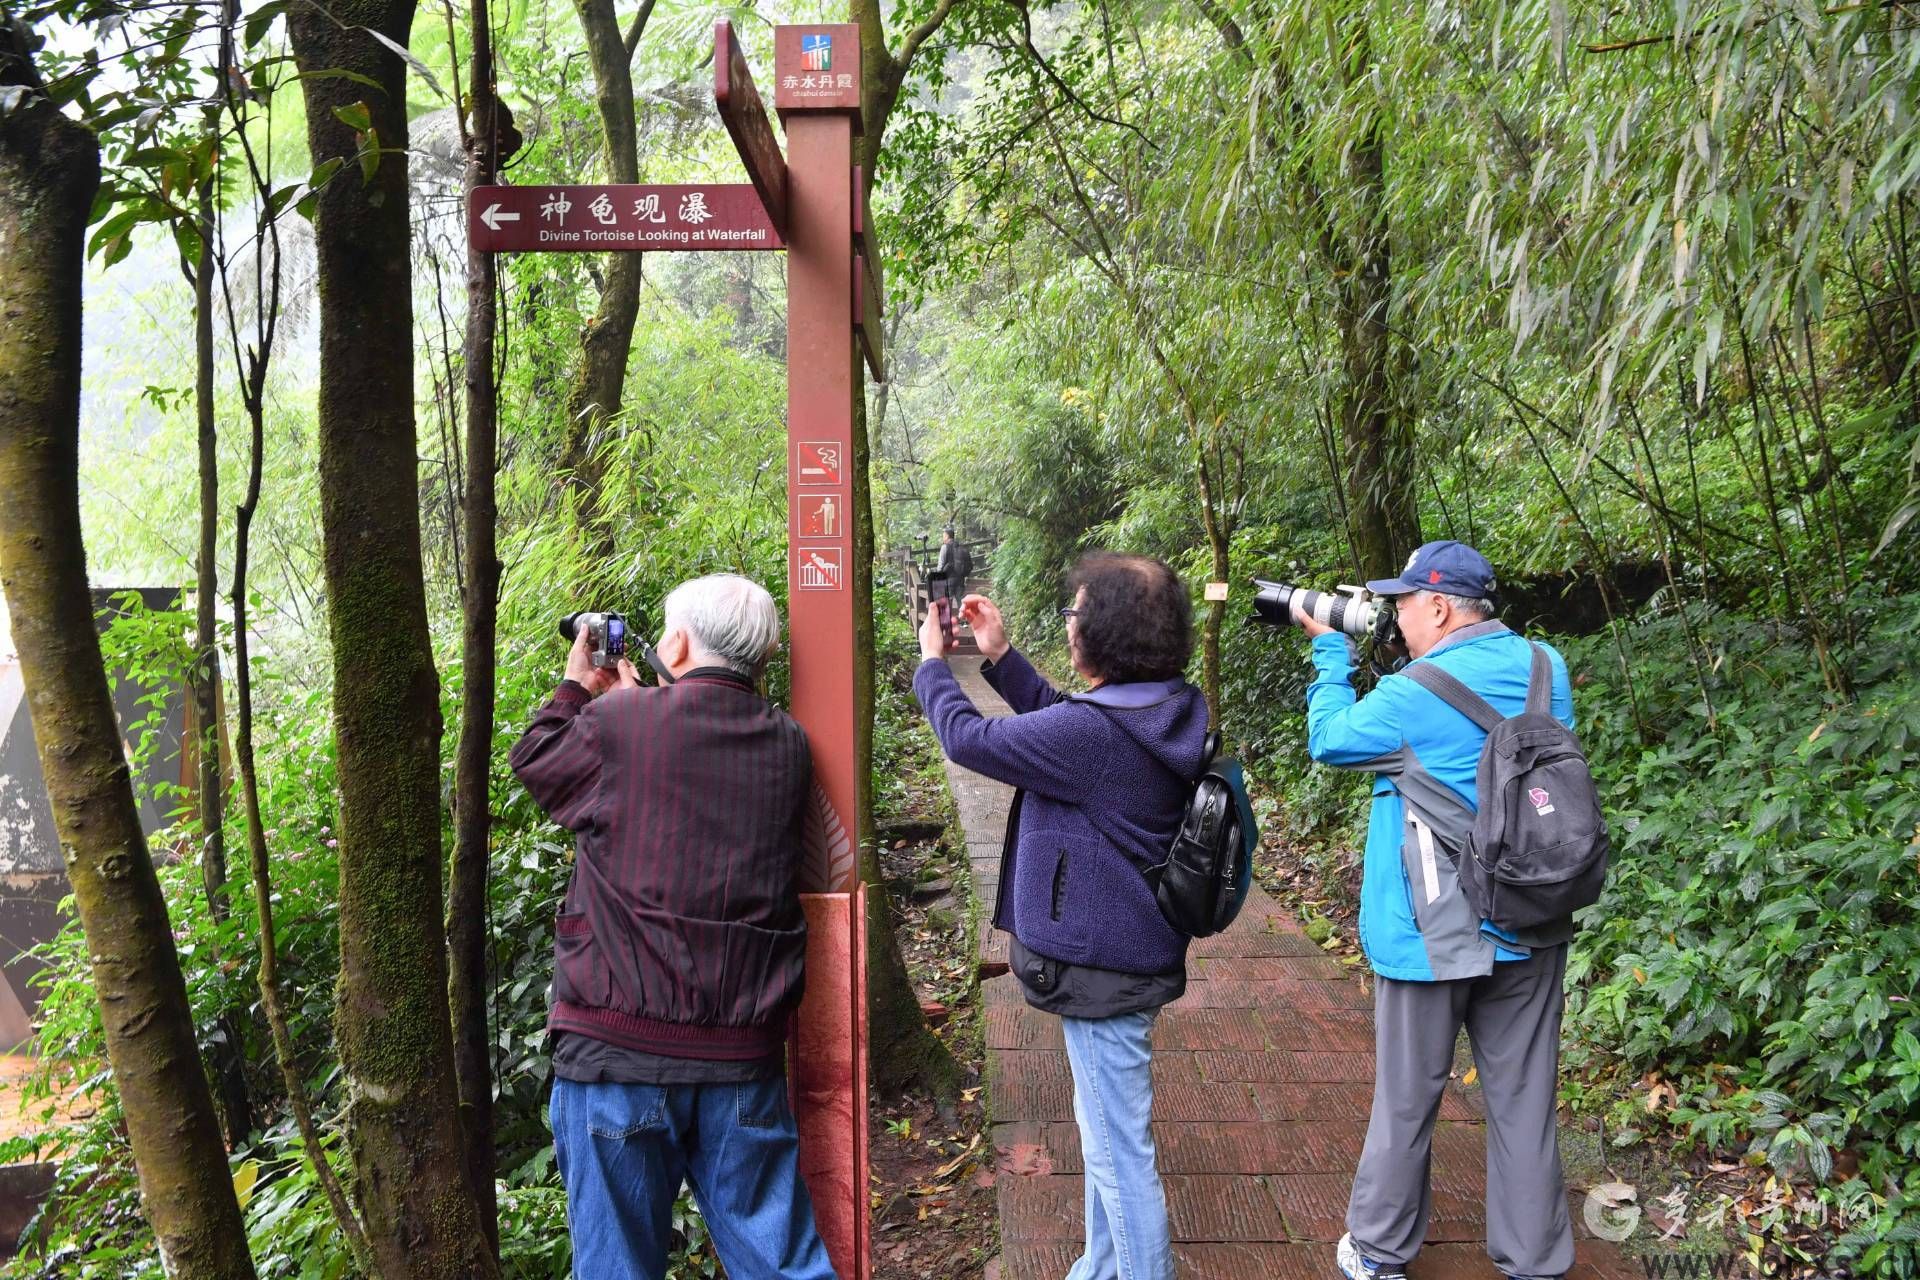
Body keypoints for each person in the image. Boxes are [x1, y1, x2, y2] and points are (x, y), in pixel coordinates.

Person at [508, 574, 834, 1280]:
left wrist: (578, 689)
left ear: (676, 642)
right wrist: (635, 710)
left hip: (614, 1051)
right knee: (783, 1263)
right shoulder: (789, 745)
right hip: (740, 1058)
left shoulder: (619, 728)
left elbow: (537, 759)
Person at [914, 552, 1209, 1280]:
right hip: (1128, 950)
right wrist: (1003, 658)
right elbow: (1069, 724)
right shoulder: (1165, 704)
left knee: (1119, 1154)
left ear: (1103, 636)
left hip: (1104, 964)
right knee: (1105, 1131)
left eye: (1073, 613)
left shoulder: (1096, 735)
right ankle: (1098, 1268)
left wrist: (932, 665)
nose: (1068, 623)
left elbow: (970, 740)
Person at [1296, 540, 1578, 1280]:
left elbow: (1328, 740)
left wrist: (1328, 655)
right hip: (1534, 916)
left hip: (1433, 930)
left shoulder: (1413, 691)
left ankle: (1380, 1251)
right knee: (1523, 1099)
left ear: (1441, 606)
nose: (1395, 617)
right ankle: (1535, 1261)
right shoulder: (1549, 667)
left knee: (1409, 1096)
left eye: (1403, 604)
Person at [932, 525, 972, 603]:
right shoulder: (961, 547)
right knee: (961, 601)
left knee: (947, 602)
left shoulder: (945, 547)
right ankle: (963, 615)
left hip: (948, 579)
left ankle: (948, 615)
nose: (943, 538)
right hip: (960, 578)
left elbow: (941, 565)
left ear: (947, 536)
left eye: (943, 536)